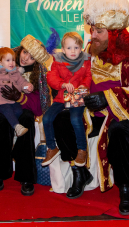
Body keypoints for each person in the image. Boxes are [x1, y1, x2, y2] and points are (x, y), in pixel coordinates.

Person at [53, 0, 129, 215]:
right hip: (92, 111)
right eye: (92, 30)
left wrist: (107, 97)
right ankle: (80, 172)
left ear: (114, 32)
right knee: (61, 120)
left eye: (99, 31)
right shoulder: (93, 49)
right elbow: (83, 76)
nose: (93, 35)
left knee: (119, 132)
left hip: (123, 111)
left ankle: (126, 187)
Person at [0, 32, 58, 196]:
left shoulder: (39, 76)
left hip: (23, 110)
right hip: (0, 107)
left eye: (31, 57)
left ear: (36, 61)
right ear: (21, 49)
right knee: (2, 124)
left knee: (27, 122)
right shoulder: (6, 60)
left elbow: (38, 108)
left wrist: (20, 97)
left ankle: (27, 177)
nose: (25, 58)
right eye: (25, 52)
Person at [41, 32, 91, 167]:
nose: (73, 51)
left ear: (81, 48)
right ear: (63, 50)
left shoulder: (86, 60)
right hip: (60, 98)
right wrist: (62, 84)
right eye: (69, 48)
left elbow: (88, 76)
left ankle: (82, 150)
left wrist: (84, 85)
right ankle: (52, 148)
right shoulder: (57, 61)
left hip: (77, 97)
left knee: (75, 119)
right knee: (46, 118)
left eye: (76, 47)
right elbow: (51, 77)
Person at [0, 47, 34, 137]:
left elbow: (22, 82)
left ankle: (15, 131)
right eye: (8, 60)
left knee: (19, 111)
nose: (12, 63)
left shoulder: (16, 73)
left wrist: (27, 87)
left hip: (13, 101)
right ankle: (17, 127)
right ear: (0, 62)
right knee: (7, 110)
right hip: (0, 102)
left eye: (13, 60)